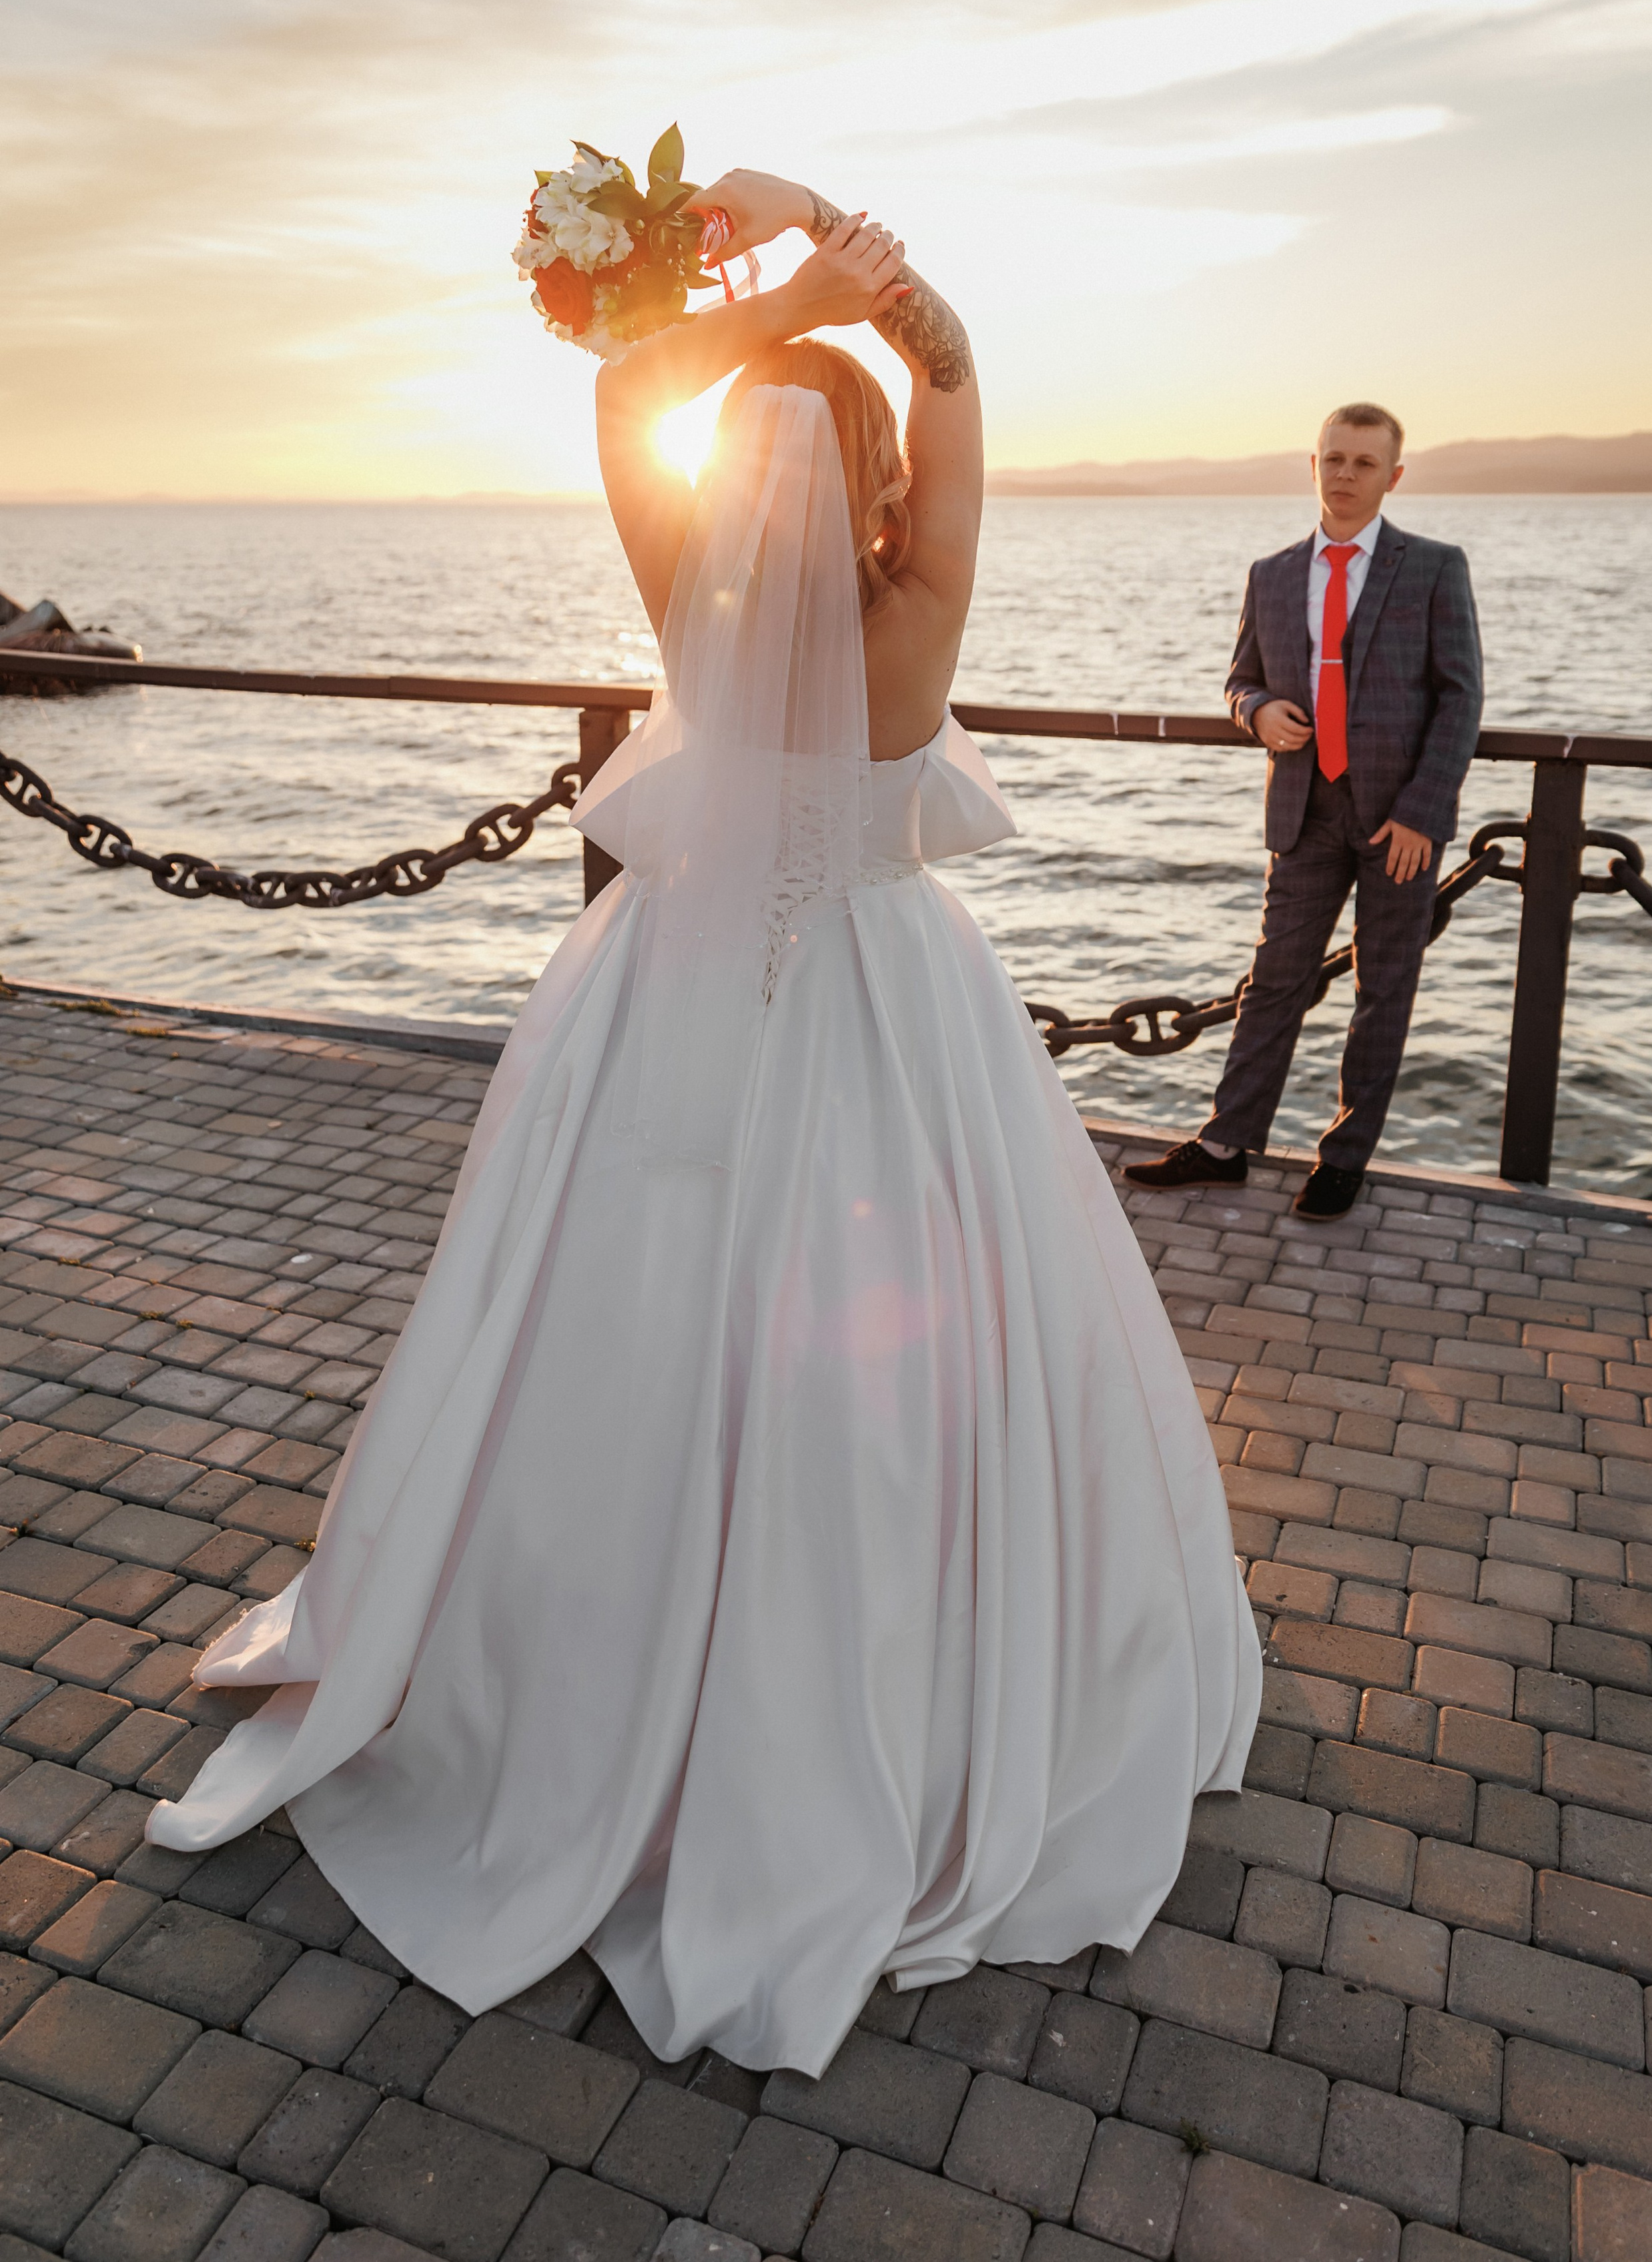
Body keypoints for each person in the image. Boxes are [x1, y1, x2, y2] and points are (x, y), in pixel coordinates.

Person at [148, 174, 1260, 2079]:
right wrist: (858, 257)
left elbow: (620, 384)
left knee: (611, 1331)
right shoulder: (917, 609)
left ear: (735, 455)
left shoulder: (687, 591)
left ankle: (583, 1681)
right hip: (889, 1016)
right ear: (883, 468)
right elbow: (962, 364)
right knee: (894, 1381)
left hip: (659, 995)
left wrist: (778, 283)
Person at [1127, 405, 1483, 1222]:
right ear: (1311, 465)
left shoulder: (1433, 567)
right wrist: (1255, 711)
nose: (1346, 475)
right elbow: (1238, 677)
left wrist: (1425, 812)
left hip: (1399, 823)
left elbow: (1460, 698)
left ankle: (1343, 1159)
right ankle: (1224, 1146)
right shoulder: (1274, 573)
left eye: (1365, 463)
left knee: (1382, 989)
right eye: (1333, 459)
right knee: (1272, 981)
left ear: (1393, 476)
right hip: (1302, 813)